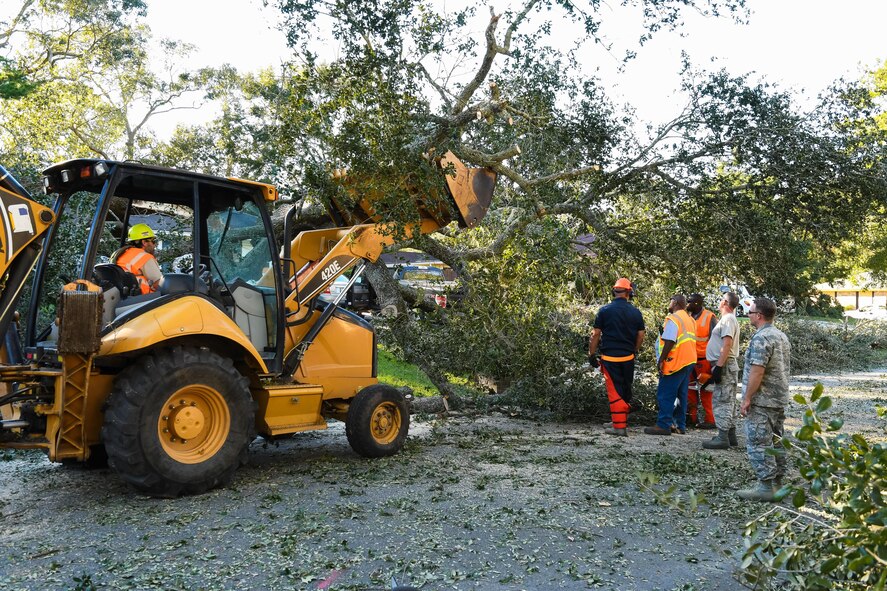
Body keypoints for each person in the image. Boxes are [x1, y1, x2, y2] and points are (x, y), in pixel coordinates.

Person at [737, 297, 791, 502]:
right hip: (778, 398)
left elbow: (757, 371)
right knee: (777, 440)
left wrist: (747, 398)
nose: (748, 316)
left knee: (759, 441)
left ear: (758, 315)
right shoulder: (780, 336)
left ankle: (765, 486)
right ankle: (778, 484)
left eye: (749, 313)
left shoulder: (761, 338)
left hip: (763, 399)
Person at [588, 277, 646, 436]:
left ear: (614, 291)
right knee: (625, 389)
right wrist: (635, 350)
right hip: (628, 358)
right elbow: (640, 335)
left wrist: (591, 354)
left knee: (615, 392)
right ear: (629, 292)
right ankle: (618, 420)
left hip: (610, 358)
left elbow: (596, 335)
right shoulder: (635, 312)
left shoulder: (604, 310)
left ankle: (619, 428)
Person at [645, 294, 697, 436]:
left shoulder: (674, 319)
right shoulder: (690, 319)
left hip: (675, 361)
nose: (669, 304)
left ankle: (663, 425)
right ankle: (680, 425)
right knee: (681, 395)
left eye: (670, 300)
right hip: (689, 361)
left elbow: (669, 341)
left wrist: (661, 360)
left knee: (666, 394)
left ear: (674, 303)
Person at [702, 291, 741, 450]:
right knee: (728, 400)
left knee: (722, 400)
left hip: (724, 364)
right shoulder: (728, 319)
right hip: (724, 364)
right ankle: (730, 435)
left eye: (720, 299)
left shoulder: (727, 320)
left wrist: (718, 367)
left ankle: (722, 437)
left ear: (725, 302)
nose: (718, 302)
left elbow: (727, 344)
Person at [684, 293, 717, 429]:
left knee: (706, 390)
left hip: (704, 360)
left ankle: (710, 420)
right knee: (689, 389)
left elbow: (716, 340)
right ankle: (691, 418)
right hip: (689, 359)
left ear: (697, 303)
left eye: (689, 302)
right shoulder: (686, 317)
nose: (687, 304)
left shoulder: (710, 317)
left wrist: (715, 363)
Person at [111, 223, 162, 294]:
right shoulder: (144, 257)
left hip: (122, 297)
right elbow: (159, 283)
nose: (155, 245)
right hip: (144, 299)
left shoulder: (119, 254)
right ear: (144, 242)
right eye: (153, 241)